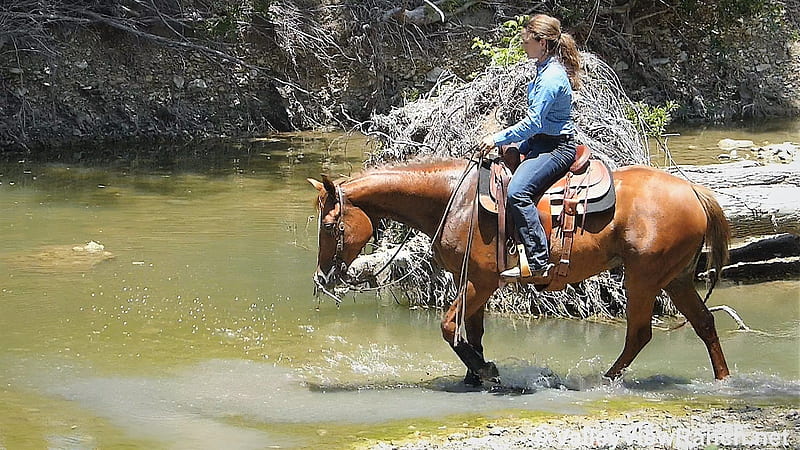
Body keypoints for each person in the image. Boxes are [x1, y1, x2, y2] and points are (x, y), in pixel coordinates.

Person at [479, 14, 583, 280]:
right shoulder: (543, 67)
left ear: (543, 42)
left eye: (526, 40)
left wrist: (496, 138)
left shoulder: (550, 78)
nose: (523, 44)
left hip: (556, 147)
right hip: (541, 141)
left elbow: (533, 122)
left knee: (517, 192)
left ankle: (538, 260)